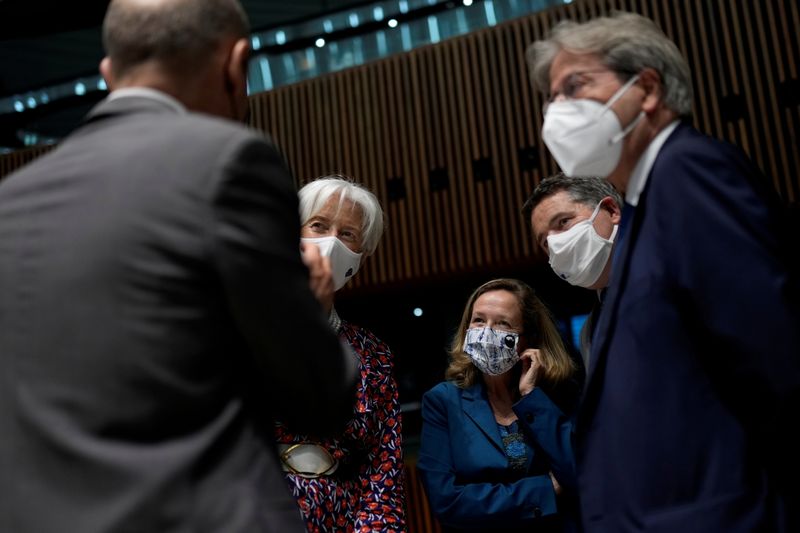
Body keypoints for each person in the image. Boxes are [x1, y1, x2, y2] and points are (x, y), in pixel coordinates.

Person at [0, 1, 358, 532]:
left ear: (108, 71)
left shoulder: (11, 200)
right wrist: (308, 301)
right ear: (236, 64)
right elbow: (320, 398)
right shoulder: (229, 161)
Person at [527, 12, 800, 531]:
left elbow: (772, 357)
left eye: (574, 86)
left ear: (646, 88)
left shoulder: (687, 172)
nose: (555, 110)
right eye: (552, 96)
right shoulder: (645, 210)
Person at [275, 176, 406, 532]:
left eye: (347, 234)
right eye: (318, 225)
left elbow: (383, 466)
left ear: (362, 256)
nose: (331, 240)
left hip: (343, 518)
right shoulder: (240, 325)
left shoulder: (373, 354)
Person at [417, 278, 579, 532]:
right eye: (479, 320)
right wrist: (545, 490)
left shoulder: (559, 393)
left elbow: (580, 475)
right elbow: (447, 501)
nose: (486, 332)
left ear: (528, 339)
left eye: (502, 323)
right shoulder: (442, 401)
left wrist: (530, 397)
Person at [523, 174, 622, 364]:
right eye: (545, 242)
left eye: (563, 221)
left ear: (611, 211)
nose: (555, 244)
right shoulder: (588, 333)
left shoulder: (671, 272)